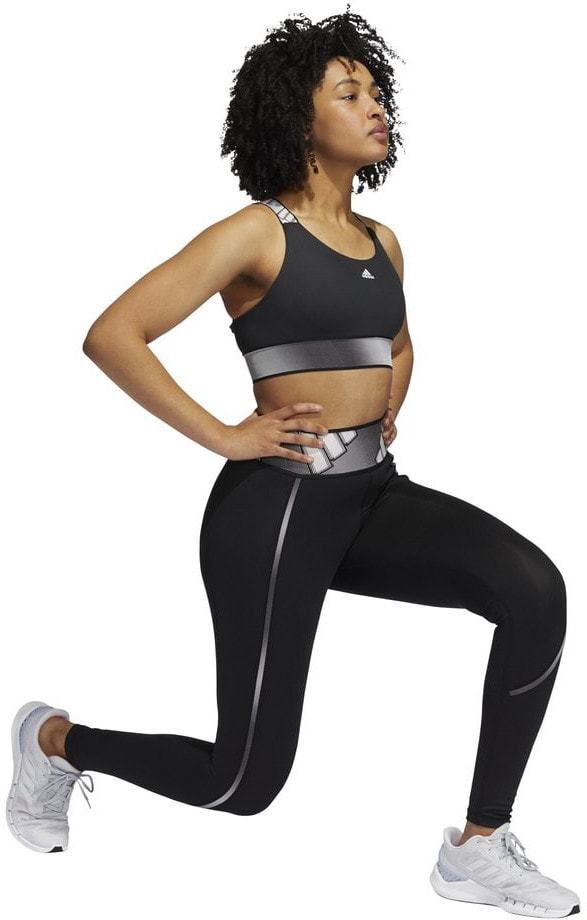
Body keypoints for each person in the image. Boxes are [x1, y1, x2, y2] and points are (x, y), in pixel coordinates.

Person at [6, 7, 579, 915]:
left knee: (534, 590)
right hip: (273, 512)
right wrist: (226, 435)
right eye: (348, 93)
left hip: (370, 496)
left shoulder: (382, 241)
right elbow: (113, 334)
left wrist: (388, 402)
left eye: (376, 91)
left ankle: (477, 846)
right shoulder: (254, 234)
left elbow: (395, 342)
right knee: (243, 783)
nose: (375, 106)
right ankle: (52, 742)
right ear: (295, 119)